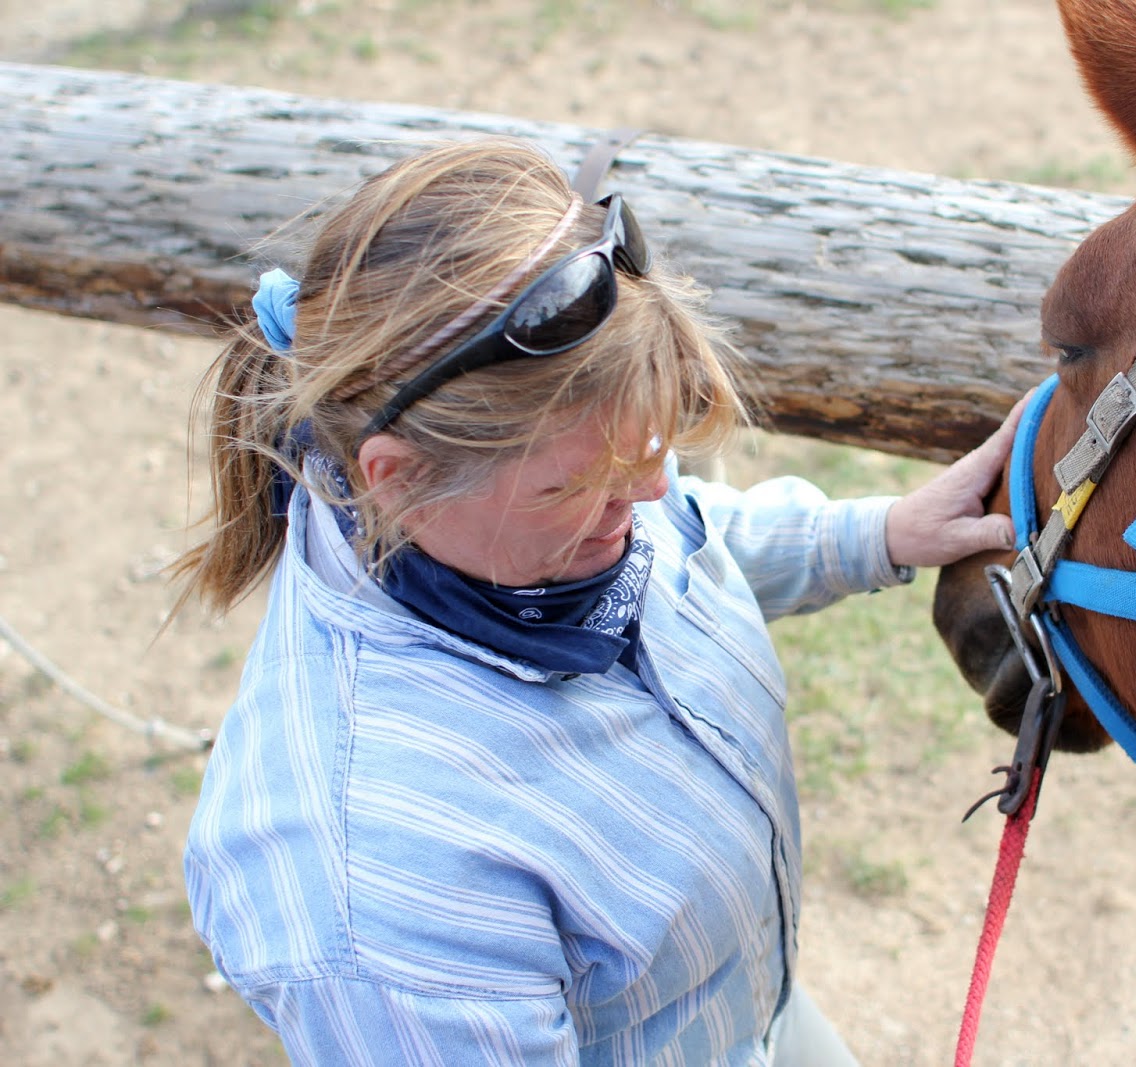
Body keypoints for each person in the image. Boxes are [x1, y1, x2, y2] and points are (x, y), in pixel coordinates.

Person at [175, 137, 1021, 1066]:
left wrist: (883, 533)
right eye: (591, 482)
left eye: (653, 447)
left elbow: (686, 536)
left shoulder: (523, 531)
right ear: (400, 479)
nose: (654, 495)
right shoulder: (380, 899)